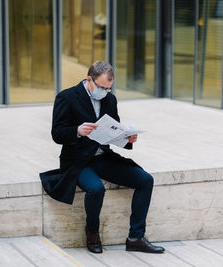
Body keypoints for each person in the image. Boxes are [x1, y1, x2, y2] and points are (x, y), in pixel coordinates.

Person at [40, 61, 164, 254]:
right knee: (96, 189)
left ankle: (135, 237)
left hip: (102, 157)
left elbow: (114, 131)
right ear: (89, 79)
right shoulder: (67, 97)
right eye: (101, 87)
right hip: (78, 160)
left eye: (108, 88)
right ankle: (92, 232)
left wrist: (127, 138)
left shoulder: (109, 99)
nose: (105, 92)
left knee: (146, 180)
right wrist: (77, 131)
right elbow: (57, 134)